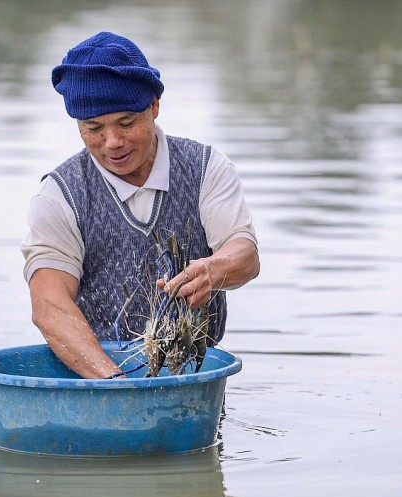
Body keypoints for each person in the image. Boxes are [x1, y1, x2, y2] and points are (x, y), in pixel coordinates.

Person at [21, 31, 259, 379]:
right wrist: (117, 386)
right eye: (93, 128)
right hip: (94, 378)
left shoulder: (206, 168)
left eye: (126, 123)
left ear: (154, 106)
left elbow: (245, 255)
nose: (112, 142)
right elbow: (49, 305)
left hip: (193, 377)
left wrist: (214, 269)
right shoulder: (60, 194)